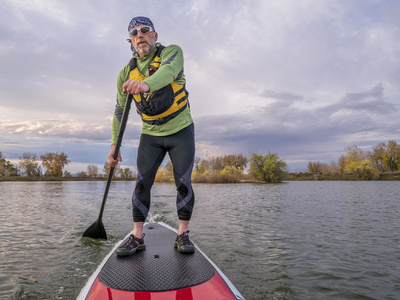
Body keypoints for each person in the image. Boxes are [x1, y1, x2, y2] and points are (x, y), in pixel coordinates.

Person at [108, 16, 196, 256]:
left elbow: (168, 72)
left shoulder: (172, 52)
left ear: (154, 36)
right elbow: (119, 111)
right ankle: (137, 237)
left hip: (181, 131)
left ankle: (183, 234)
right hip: (151, 134)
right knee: (141, 183)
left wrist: (145, 84)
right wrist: (114, 146)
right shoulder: (125, 73)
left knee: (183, 182)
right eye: (134, 33)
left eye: (145, 30)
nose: (140, 35)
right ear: (131, 41)